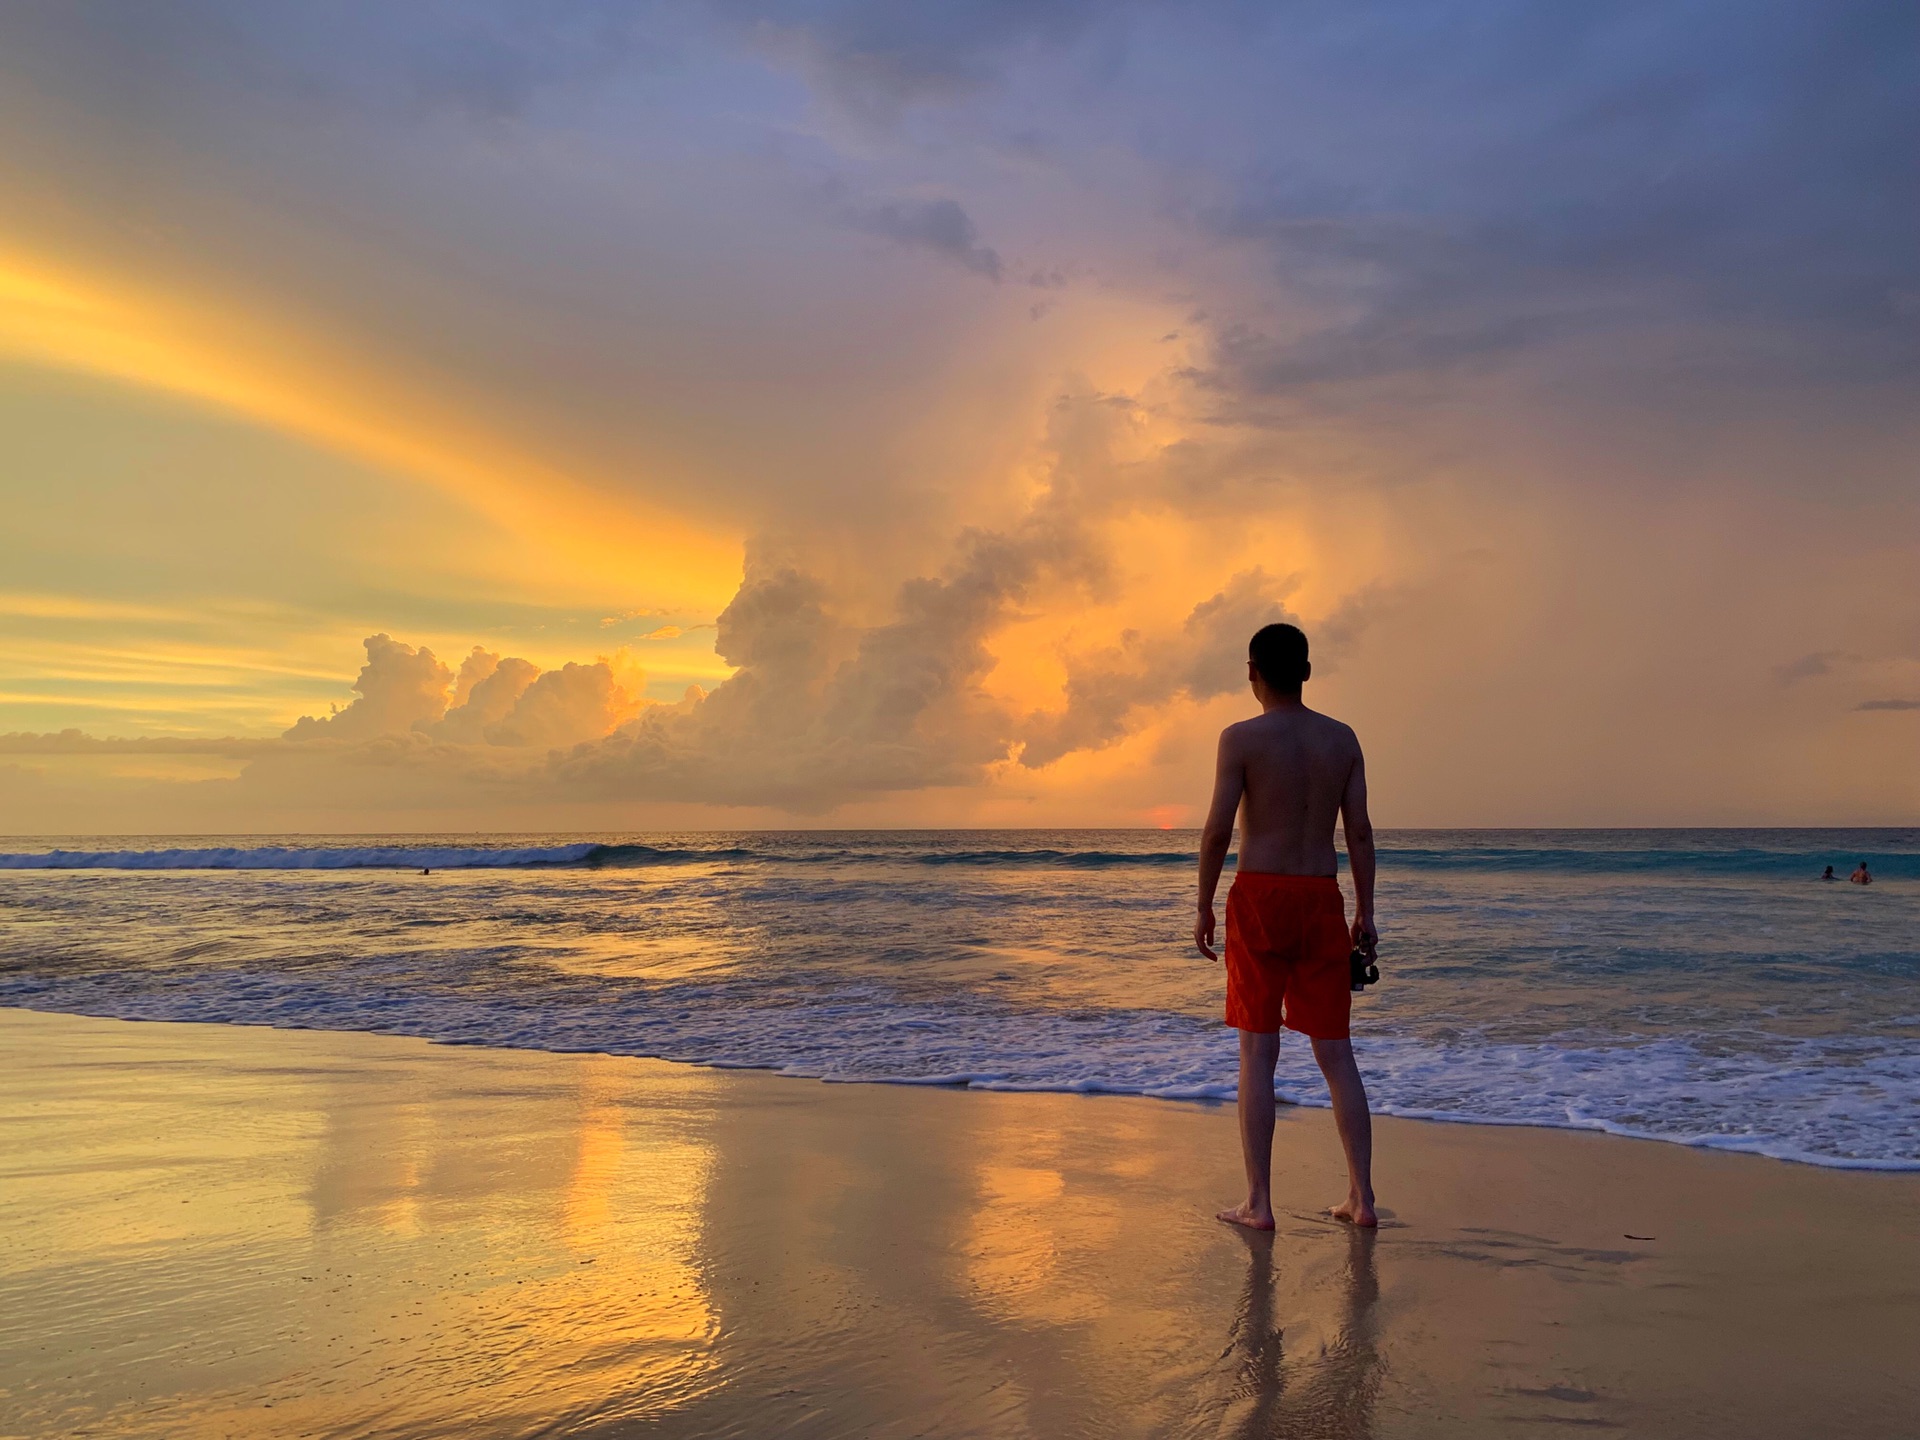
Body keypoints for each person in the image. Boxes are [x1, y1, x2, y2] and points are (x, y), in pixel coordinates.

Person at [1195, 622, 1377, 1231]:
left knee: (1257, 1050)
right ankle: (1362, 1198)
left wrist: (1202, 904)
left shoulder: (1241, 739)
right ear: (1306, 671)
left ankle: (1259, 1203)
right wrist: (1365, 911)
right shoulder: (1342, 739)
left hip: (1261, 897)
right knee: (1336, 1054)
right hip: (1320, 896)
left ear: (1253, 672)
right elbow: (1359, 833)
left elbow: (1219, 830)